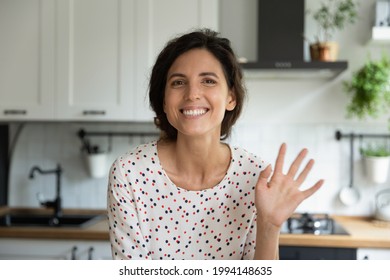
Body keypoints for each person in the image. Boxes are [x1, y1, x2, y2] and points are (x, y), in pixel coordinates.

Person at [107, 28, 324, 260]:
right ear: (163, 98)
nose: (192, 94)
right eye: (178, 82)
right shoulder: (130, 173)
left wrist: (269, 226)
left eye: (208, 81)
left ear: (231, 97)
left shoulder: (254, 177)